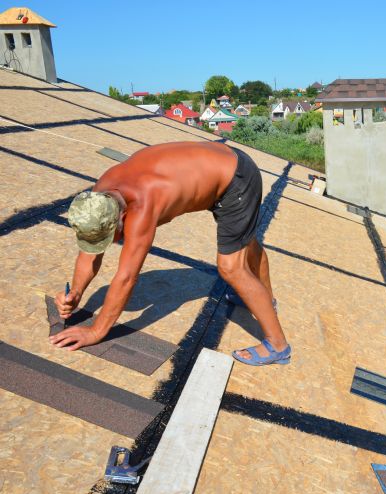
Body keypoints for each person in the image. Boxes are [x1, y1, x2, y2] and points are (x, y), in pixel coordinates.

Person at [51, 141, 291, 366]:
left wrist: (96, 331)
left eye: (107, 239)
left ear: (122, 217)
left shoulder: (141, 206)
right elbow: (90, 252)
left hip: (236, 180)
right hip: (218, 166)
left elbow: (126, 277)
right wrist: (76, 292)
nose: (105, 245)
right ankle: (264, 301)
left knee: (231, 267)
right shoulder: (98, 198)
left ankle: (278, 345)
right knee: (246, 243)